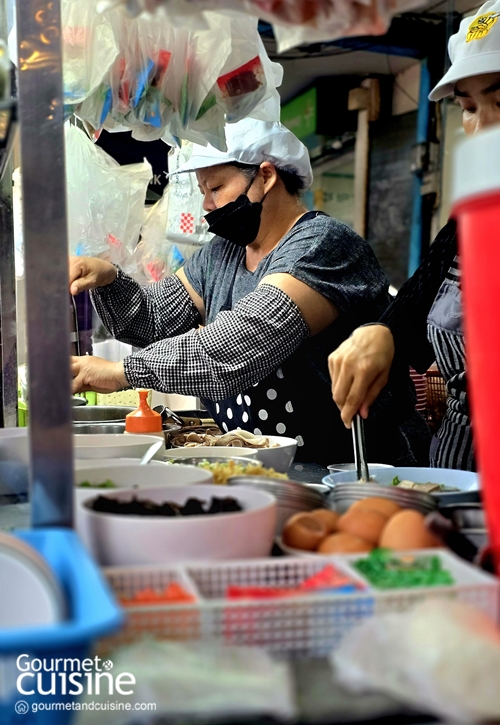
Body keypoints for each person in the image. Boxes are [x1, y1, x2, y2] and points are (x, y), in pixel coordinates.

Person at [70, 119, 430, 466]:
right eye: (202, 193)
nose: (207, 206)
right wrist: (108, 279)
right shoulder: (220, 254)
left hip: (360, 466)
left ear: (266, 176)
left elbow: (243, 342)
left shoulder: (321, 246)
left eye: (216, 188)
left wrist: (121, 372)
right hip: (276, 468)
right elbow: (150, 321)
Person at [328, 0, 500, 471]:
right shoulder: (469, 224)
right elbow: (415, 308)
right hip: (457, 480)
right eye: (468, 107)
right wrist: (382, 333)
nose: (482, 126)